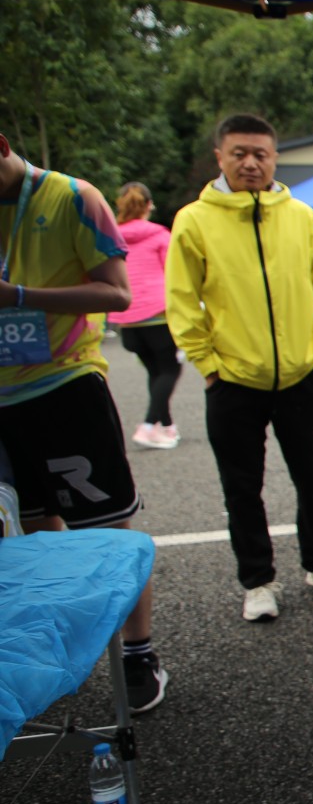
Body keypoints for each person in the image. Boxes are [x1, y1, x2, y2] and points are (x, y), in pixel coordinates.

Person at [0, 132, 169, 712]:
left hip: (63, 385)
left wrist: (18, 295)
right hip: (2, 399)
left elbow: (117, 294)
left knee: (107, 530)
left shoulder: (74, 197)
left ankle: (138, 653)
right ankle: (55, 647)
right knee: (31, 532)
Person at [166, 113, 313, 623]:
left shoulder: (300, 215)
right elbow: (181, 301)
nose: (251, 162)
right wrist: (208, 366)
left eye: (261, 154)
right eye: (239, 153)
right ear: (220, 157)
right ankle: (257, 581)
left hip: (301, 376)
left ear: (274, 158)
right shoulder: (194, 220)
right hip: (232, 381)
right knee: (242, 488)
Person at [108, 181, 181, 450]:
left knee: (155, 371)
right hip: (158, 314)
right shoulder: (160, 235)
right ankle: (148, 426)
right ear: (149, 205)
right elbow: (175, 273)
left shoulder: (111, 237)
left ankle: (167, 425)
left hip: (127, 317)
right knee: (170, 369)